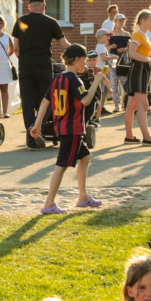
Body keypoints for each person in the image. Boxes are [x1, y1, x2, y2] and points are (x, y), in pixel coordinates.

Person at [31, 45, 106, 213]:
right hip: (72, 129)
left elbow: (45, 102)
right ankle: (49, 203)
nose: (85, 64)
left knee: (85, 157)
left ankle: (83, 197)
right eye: (84, 60)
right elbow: (86, 100)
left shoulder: (57, 78)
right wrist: (96, 81)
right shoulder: (74, 79)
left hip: (64, 127)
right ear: (77, 59)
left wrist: (37, 124)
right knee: (62, 166)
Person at [12, 0, 70, 147]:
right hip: (44, 64)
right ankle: (37, 128)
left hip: (25, 65)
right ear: (44, 6)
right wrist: (80, 52)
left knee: (27, 102)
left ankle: (31, 138)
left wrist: (24, 58)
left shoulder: (21, 21)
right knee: (47, 100)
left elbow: (16, 48)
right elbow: (64, 45)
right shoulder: (51, 22)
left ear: (30, 7)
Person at [122, 10, 151, 145]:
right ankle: (147, 138)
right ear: (143, 21)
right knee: (143, 106)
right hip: (138, 70)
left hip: (141, 70)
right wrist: (148, 59)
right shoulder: (137, 35)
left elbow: (141, 51)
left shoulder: (143, 35)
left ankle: (129, 137)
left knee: (131, 106)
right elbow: (132, 53)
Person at [106, 14, 130, 112]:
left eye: (123, 20)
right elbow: (106, 47)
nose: (121, 22)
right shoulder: (110, 34)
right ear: (115, 21)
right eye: (119, 20)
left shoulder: (127, 34)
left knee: (124, 81)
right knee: (114, 80)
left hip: (123, 58)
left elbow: (130, 47)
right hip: (113, 57)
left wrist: (123, 49)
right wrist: (111, 47)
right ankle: (116, 104)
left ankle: (125, 102)